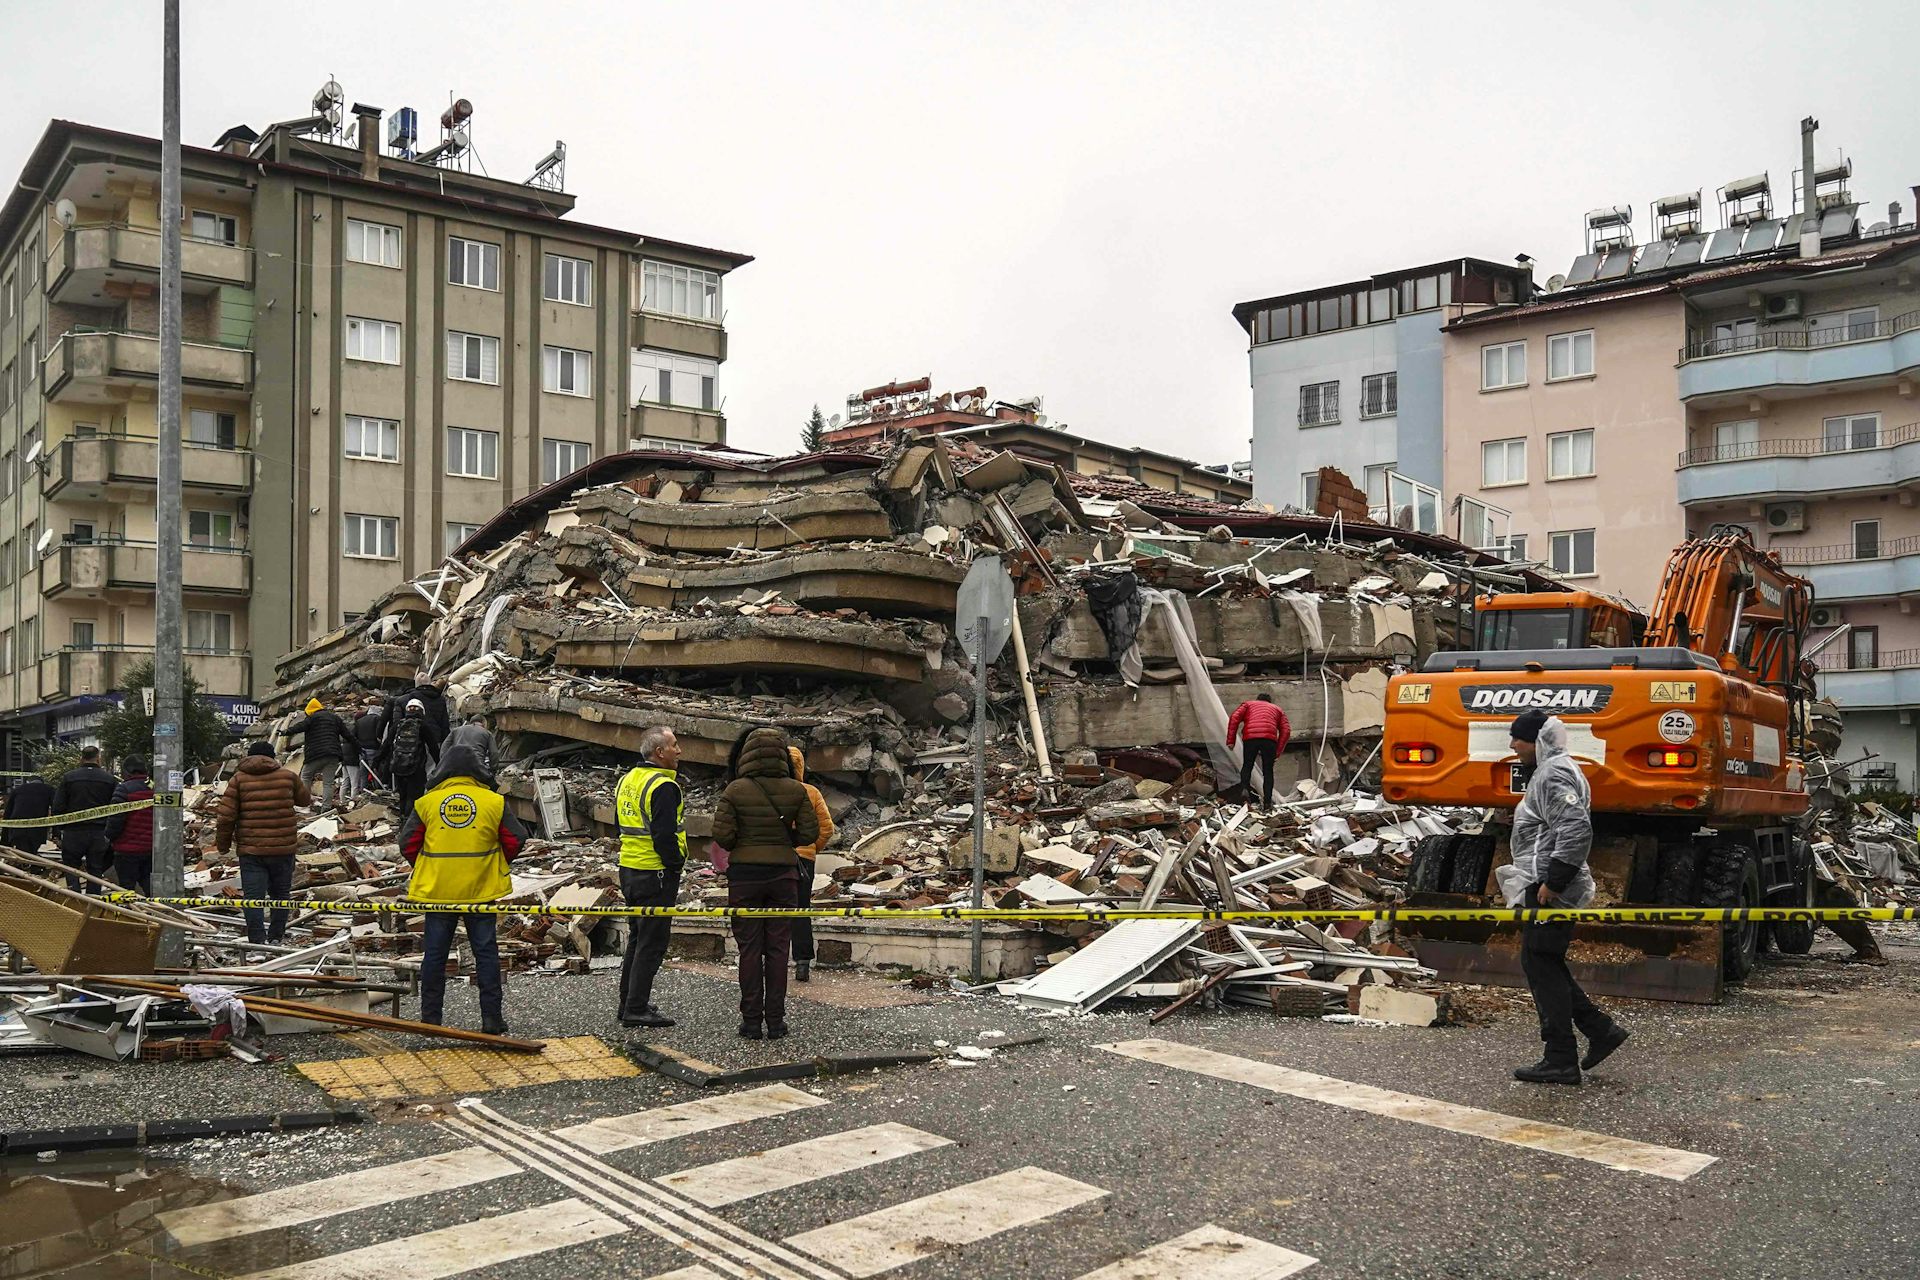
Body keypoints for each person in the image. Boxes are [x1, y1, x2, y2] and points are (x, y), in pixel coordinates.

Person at [1499, 709, 1629, 1086]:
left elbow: (1574, 828)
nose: (1512, 746)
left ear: (1537, 741)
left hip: (1551, 887)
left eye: (1517, 739)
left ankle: (1561, 1058)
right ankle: (1600, 1030)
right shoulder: (1554, 769)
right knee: (1542, 961)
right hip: (1546, 881)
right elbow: (1556, 823)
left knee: (1541, 963)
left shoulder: (1554, 772)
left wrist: (1554, 882)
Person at [397, 743, 525, 1034]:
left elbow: (408, 844)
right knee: (486, 954)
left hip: (438, 890)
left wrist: (430, 865)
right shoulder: (493, 802)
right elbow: (516, 838)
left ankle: (431, 1019)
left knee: (435, 955)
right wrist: (492, 862)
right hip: (481, 890)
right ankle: (492, 1020)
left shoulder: (427, 803)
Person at [709, 727, 819, 1039]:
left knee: (749, 950)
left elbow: (723, 836)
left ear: (746, 755)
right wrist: (786, 841)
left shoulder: (734, 790)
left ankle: (751, 1021)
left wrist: (747, 842)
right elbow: (810, 835)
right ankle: (777, 1021)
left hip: (744, 878)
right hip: (783, 876)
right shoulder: (797, 791)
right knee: (778, 949)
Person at [614, 727, 686, 1029]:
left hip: (629, 868)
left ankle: (628, 1001)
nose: (679, 751)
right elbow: (664, 835)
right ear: (660, 753)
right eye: (674, 745)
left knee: (637, 938)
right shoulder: (663, 787)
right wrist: (675, 866)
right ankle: (636, 1007)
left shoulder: (627, 780)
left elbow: (620, 823)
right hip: (654, 871)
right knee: (652, 942)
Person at [215, 740, 311, 944]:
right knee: (280, 895)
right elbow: (305, 800)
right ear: (272, 758)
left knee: (253, 897)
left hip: (252, 851)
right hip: (283, 849)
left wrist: (223, 846)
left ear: (248, 757)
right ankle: (276, 938)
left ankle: (257, 941)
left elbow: (225, 817)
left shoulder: (238, 779)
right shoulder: (288, 776)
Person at [787, 744, 835, 984]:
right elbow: (827, 828)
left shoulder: (766, 791)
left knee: (769, 909)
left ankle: (767, 960)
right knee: (801, 909)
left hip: (775, 858)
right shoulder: (811, 792)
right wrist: (812, 848)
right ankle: (803, 962)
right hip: (804, 859)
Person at [52, 745, 118, 892]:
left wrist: (58, 831)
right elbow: (117, 807)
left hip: (73, 831)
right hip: (99, 832)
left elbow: (58, 806)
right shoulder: (109, 779)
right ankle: (92, 903)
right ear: (98, 758)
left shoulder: (69, 778)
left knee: (71, 867)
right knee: (95, 869)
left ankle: (74, 901)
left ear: (81, 758)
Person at [1226, 692, 1291, 809]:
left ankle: (1245, 793)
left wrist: (1231, 741)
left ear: (1257, 699)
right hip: (1269, 740)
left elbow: (1235, 717)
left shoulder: (1248, 704)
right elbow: (1286, 731)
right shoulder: (1278, 709)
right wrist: (1277, 752)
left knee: (1247, 765)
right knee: (1268, 771)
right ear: (1269, 701)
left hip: (1251, 738)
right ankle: (1267, 802)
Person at [103, 755, 156, 894]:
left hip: (127, 849)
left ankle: (130, 913)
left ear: (126, 772)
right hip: (150, 847)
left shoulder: (124, 789)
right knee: (148, 882)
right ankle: (156, 911)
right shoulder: (154, 787)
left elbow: (116, 819)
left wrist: (109, 837)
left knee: (127, 886)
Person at [295, 697, 350, 808]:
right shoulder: (335, 718)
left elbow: (300, 727)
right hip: (333, 755)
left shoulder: (312, 718)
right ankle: (326, 807)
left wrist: (285, 732)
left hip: (315, 754)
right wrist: (359, 747)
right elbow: (347, 735)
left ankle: (304, 804)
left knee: (305, 776)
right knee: (328, 783)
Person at [387, 699, 436, 817]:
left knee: (402, 795)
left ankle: (401, 820)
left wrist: (378, 762)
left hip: (398, 766)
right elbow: (433, 747)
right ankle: (410, 823)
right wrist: (440, 763)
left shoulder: (398, 724)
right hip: (416, 767)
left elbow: (387, 745)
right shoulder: (423, 726)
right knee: (414, 796)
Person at [2, 771, 56, 855]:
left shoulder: (17, 790)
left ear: (28, 782)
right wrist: (56, 834)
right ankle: (30, 865)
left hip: (17, 827)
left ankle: (25, 865)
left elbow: (8, 812)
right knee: (32, 851)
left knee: (22, 851)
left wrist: (4, 840)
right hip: (37, 828)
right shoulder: (49, 789)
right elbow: (56, 810)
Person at [347, 697, 386, 800]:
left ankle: (363, 791)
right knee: (376, 770)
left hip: (362, 750)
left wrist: (359, 746)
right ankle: (379, 791)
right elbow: (380, 734)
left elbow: (352, 736)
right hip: (374, 749)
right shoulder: (378, 719)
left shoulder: (359, 721)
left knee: (363, 772)